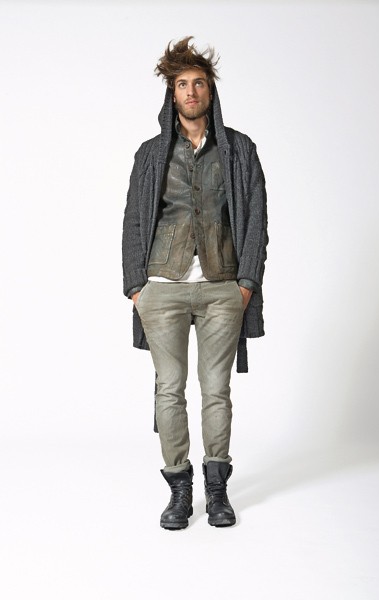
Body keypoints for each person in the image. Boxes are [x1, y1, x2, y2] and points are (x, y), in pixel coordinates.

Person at [122, 37, 268, 529]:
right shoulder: (150, 154)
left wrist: (246, 283)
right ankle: (179, 490)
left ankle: (217, 489)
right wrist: (136, 287)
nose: (190, 92)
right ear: (172, 93)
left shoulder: (239, 150)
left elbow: (256, 220)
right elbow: (133, 222)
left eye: (198, 83)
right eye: (182, 84)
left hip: (223, 285)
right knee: (169, 389)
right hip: (161, 286)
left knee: (216, 390)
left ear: (210, 90)